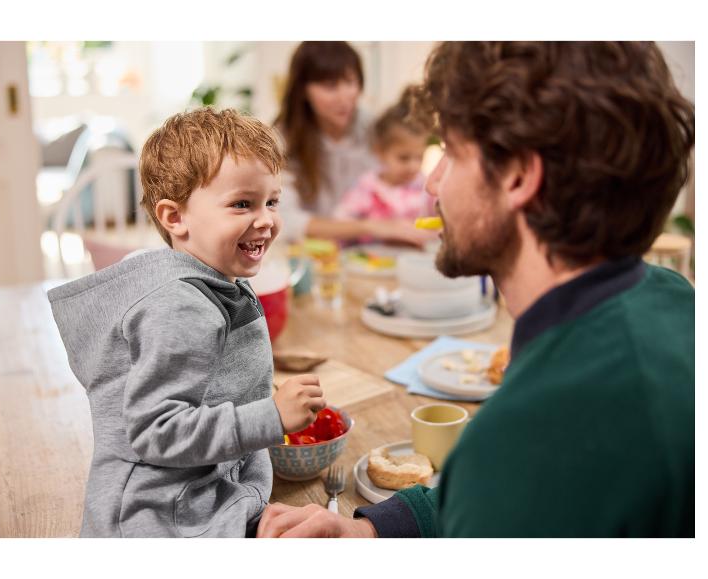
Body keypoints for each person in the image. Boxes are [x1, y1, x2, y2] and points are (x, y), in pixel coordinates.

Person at [258, 41, 695, 538]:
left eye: (448, 151)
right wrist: (374, 532)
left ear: (518, 176)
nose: (432, 185)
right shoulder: (672, 295)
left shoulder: (518, 436)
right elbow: (531, 485)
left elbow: (514, 472)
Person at [47, 107, 326, 537]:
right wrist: (269, 416)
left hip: (196, 486)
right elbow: (156, 431)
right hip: (162, 513)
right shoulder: (179, 308)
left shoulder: (208, 273)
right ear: (174, 218)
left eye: (271, 201)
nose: (267, 219)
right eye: (242, 204)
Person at [275, 41, 433, 247]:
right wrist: (370, 226)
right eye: (330, 86)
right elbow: (285, 220)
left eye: (351, 82)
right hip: (313, 255)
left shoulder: (373, 128)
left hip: (372, 256)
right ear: (303, 90)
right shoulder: (280, 140)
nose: (345, 97)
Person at [333, 86, 435, 232]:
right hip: (374, 254)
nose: (414, 166)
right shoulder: (368, 187)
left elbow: (444, 216)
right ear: (380, 152)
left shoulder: (426, 186)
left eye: (420, 157)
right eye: (403, 158)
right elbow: (340, 222)